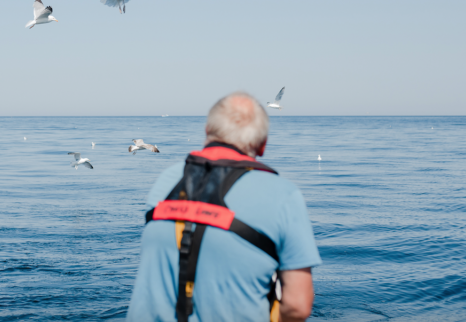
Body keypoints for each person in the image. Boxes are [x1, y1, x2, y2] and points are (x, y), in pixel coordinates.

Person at [127, 91, 321, 322]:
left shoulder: (166, 181)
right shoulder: (284, 196)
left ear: (207, 131)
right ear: (263, 145)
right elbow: (298, 306)